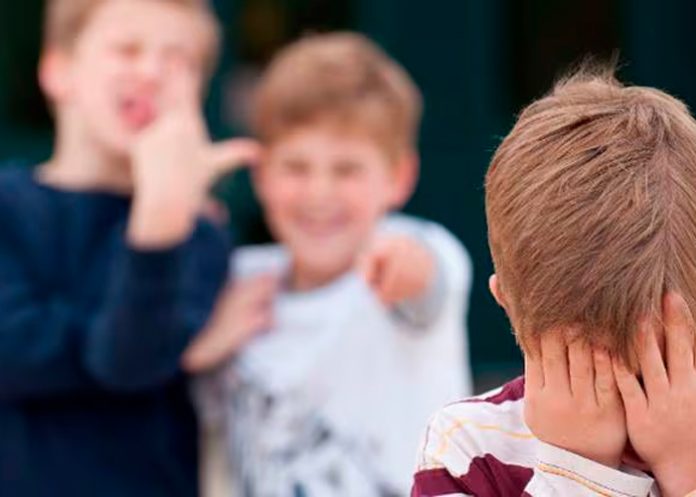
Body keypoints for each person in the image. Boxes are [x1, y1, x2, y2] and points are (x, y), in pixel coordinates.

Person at [184, 32, 474, 497]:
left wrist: (403, 266)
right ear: (261, 176)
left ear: (398, 178)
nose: (319, 193)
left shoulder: (412, 247)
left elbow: (426, 277)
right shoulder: (239, 280)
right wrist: (203, 345)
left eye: (347, 170)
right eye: (296, 168)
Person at [0, 1, 259, 496]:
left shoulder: (196, 235)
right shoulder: (8, 210)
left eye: (178, 60)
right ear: (59, 71)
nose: (150, 72)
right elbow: (13, 352)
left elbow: (129, 359)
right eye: (127, 49)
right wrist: (179, 354)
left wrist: (162, 212)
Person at [411, 67, 696, 497]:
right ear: (506, 302)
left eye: (658, 360)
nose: (623, 400)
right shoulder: (468, 445)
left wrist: (686, 475)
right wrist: (578, 473)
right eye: (588, 362)